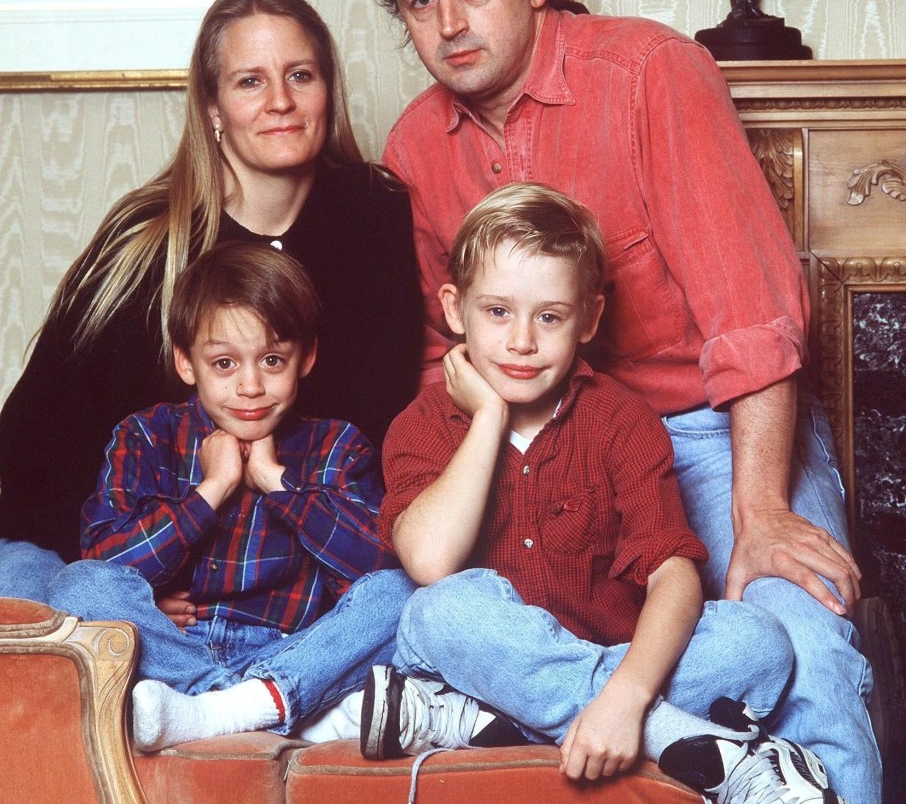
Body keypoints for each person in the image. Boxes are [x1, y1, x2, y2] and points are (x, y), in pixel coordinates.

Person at [369, 0, 878, 803]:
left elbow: (755, 318)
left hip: (718, 430)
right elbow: (447, 358)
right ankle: (685, 738)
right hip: (545, 443)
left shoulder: (650, 73)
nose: (448, 24)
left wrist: (761, 514)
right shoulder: (414, 146)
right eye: (419, 1)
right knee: (445, 617)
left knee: (798, 637)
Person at [359, 184, 842, 803]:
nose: (522, 342)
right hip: (484, 658)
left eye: (550, 316)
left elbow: (673, 574)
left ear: (588, 318)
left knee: (759, 643)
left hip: (605, 663)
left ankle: (501, 725)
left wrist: (625, 696)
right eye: (498, 312)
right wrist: (486, 418)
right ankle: (676, 738)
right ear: (455, 310)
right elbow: (430, 562)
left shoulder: (622, 421)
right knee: (438, 611)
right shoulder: (421, 426)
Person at [0, 0, 421, 607]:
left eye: (300, 75)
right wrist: (131, 586)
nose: (282, 102)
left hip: (289, 560)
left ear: (328, 89)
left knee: (406, 602)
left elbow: (388, 422)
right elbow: (35, 446)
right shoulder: (148, 241)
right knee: (2, 661)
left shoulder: (378, 217)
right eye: (249, 82)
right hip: (97, 546)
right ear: (212, 107)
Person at [48, 242, 413, 751]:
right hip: (171, 650)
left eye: (271, 360)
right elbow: (106, 561)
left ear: (305, 358)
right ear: (186, 362)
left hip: (287, 651)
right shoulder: (147, 435)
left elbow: (371, 567)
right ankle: (243, 706)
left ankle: (222, 708)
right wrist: (211, 491)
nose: (250, 386)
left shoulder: (336, 445)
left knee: (404, 591)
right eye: (223, 363)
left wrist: (275, 481)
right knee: (77, 584)